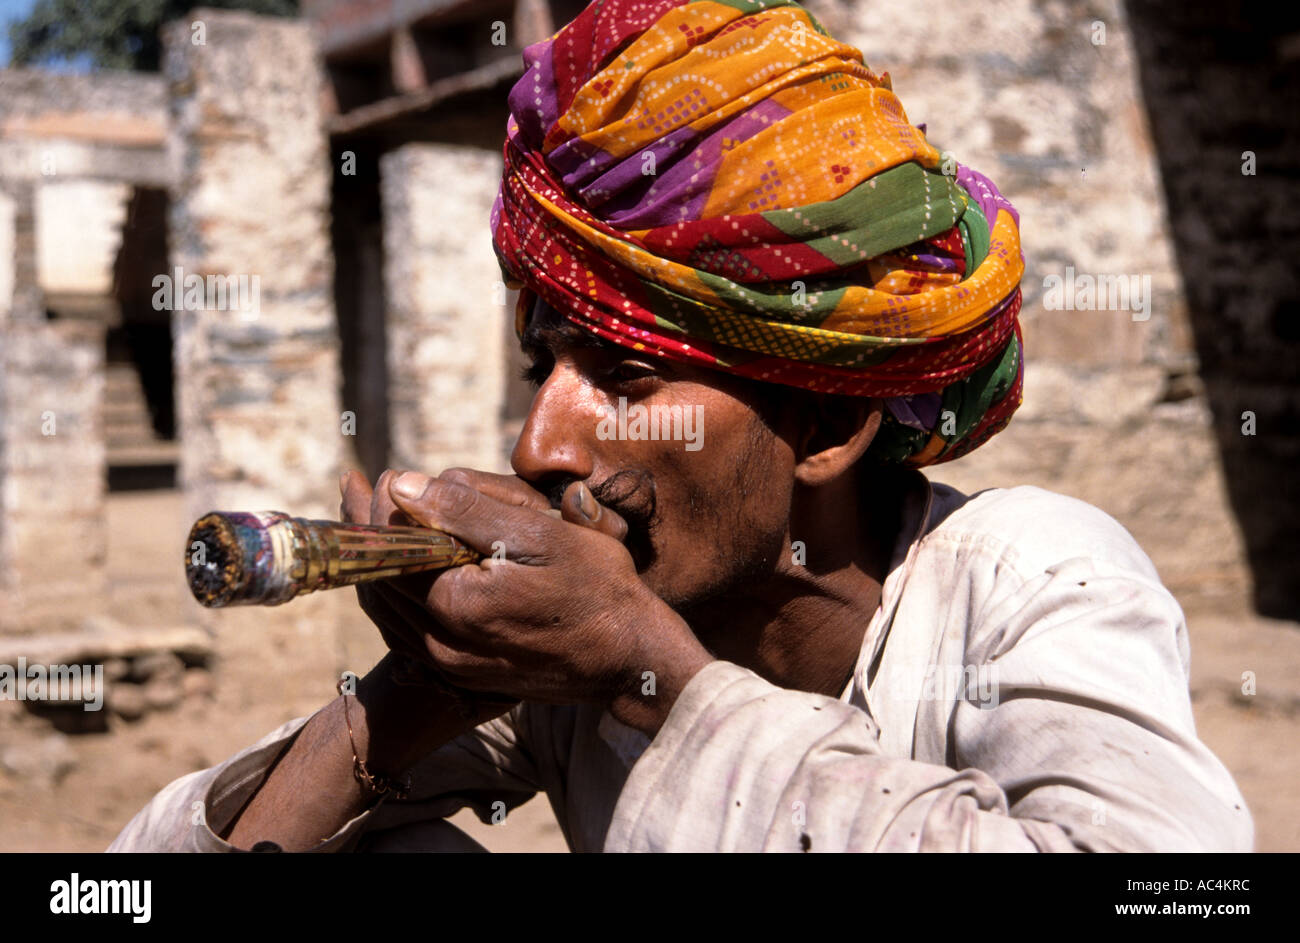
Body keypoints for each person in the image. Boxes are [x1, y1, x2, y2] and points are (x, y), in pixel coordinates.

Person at [109, 0, 1252, 852]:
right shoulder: (593, 650)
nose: (538, 444)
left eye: (625, 376)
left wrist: (647, 669)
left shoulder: (1029, 578)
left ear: (825, 425)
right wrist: (411, 696)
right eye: (538, 367)